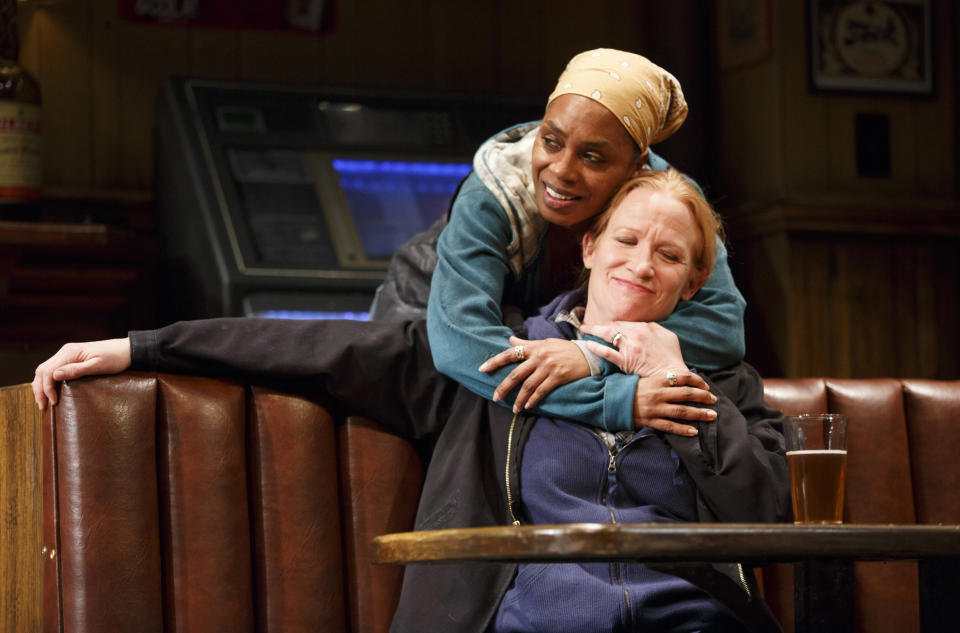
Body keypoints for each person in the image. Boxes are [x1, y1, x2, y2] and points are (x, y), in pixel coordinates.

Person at [32, 169, 789, 633]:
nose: (640, 264)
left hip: (694, 622)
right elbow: (325, 347)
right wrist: (144, 346)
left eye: (668, 255)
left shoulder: (723, 382)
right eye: (626, 240)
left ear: (693, 284)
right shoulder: (489, 358)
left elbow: (769, 505)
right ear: (589, 245)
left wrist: (684, 380)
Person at [373, 48, 747, 435]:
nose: (561, 171)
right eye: (550, 142)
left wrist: (590, 356)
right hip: (424, 309)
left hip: (550, 337)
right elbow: (460, 345)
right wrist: (618, 401)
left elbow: (722, 327)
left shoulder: (670, 203)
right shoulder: (494, 191)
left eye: (592, 157)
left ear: (637, 167)